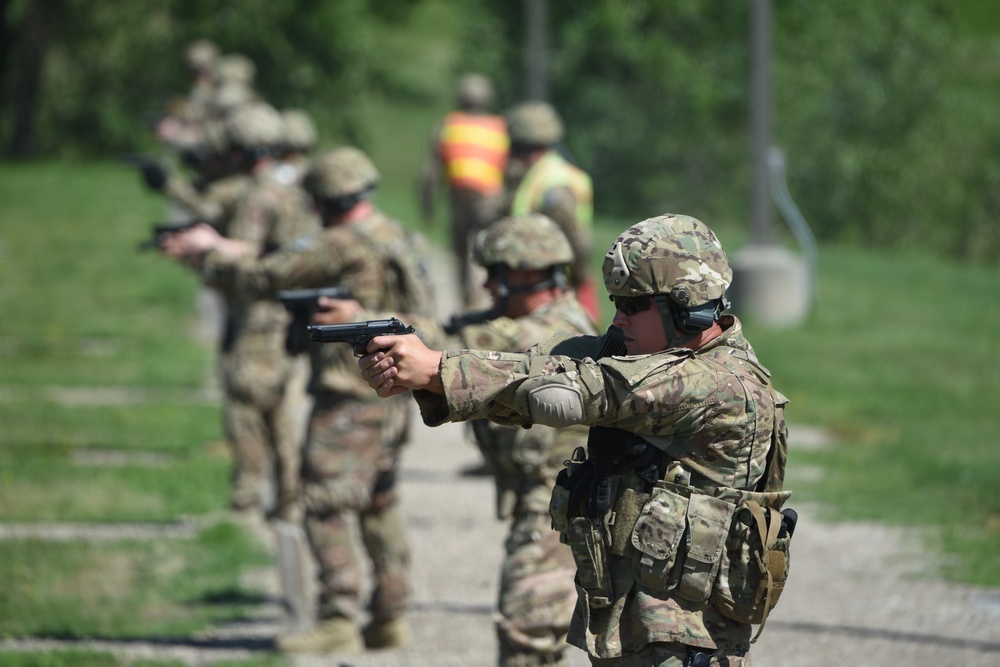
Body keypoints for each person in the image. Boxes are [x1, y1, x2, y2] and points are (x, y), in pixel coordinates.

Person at [356, 214, 791, 666]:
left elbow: (574, 393)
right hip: (640, 625)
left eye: (633, 304)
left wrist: (435, 369)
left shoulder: (718, 382)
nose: (617, 317)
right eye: (615, 300)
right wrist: (432, 374)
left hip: (687, 640)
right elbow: (536, 366)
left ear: (688, 307)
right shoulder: (648, 354)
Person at [163, 146, 420, 654]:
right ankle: (390, 614)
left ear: (323, 200)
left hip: (350, 389)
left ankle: (338, 616)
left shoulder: (338, 244)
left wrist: (206, 255)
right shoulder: (398, 235)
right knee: (378, 496)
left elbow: (265, 277)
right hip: (399, 384)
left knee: (322, 499)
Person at [314, 213, 598, 666]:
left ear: (527, 273)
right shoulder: (526, 318)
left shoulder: (553, 332)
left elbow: (463, 346)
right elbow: (457, 332)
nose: (487, 288)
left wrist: (373, 323)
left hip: (564, 498)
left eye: (496, 276)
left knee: (527, 629)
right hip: (547, 496)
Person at [502, 101, 599, 323]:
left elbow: (575, 236)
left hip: (554, 290)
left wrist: (578, 279)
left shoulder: (551, 181)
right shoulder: (550, 172)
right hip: (547, 287)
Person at [419, 72, 510, 309]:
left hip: (460, 199)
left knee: (461, 256)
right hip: (492, 201)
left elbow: (429, 174)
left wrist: (427, 208)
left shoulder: (448, 125)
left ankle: (466, 303)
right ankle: (492, 301)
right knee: (490, 252)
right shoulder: (500, 127)